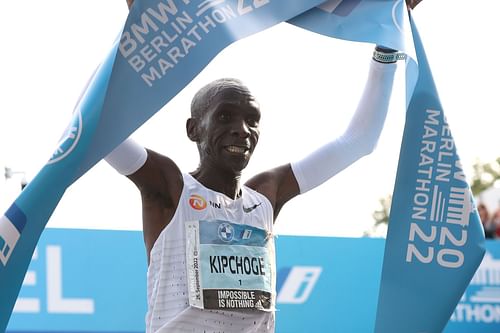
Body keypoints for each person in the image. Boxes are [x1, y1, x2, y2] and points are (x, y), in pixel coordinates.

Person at [105, 1, 422, 332]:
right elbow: (99, 130)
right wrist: (139, 34)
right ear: (193, 129)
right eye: (225, 116)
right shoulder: (171, 187)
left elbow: (359, 141)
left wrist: (387, 42)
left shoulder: (264, 197)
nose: (242, 130)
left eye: (252, 120)